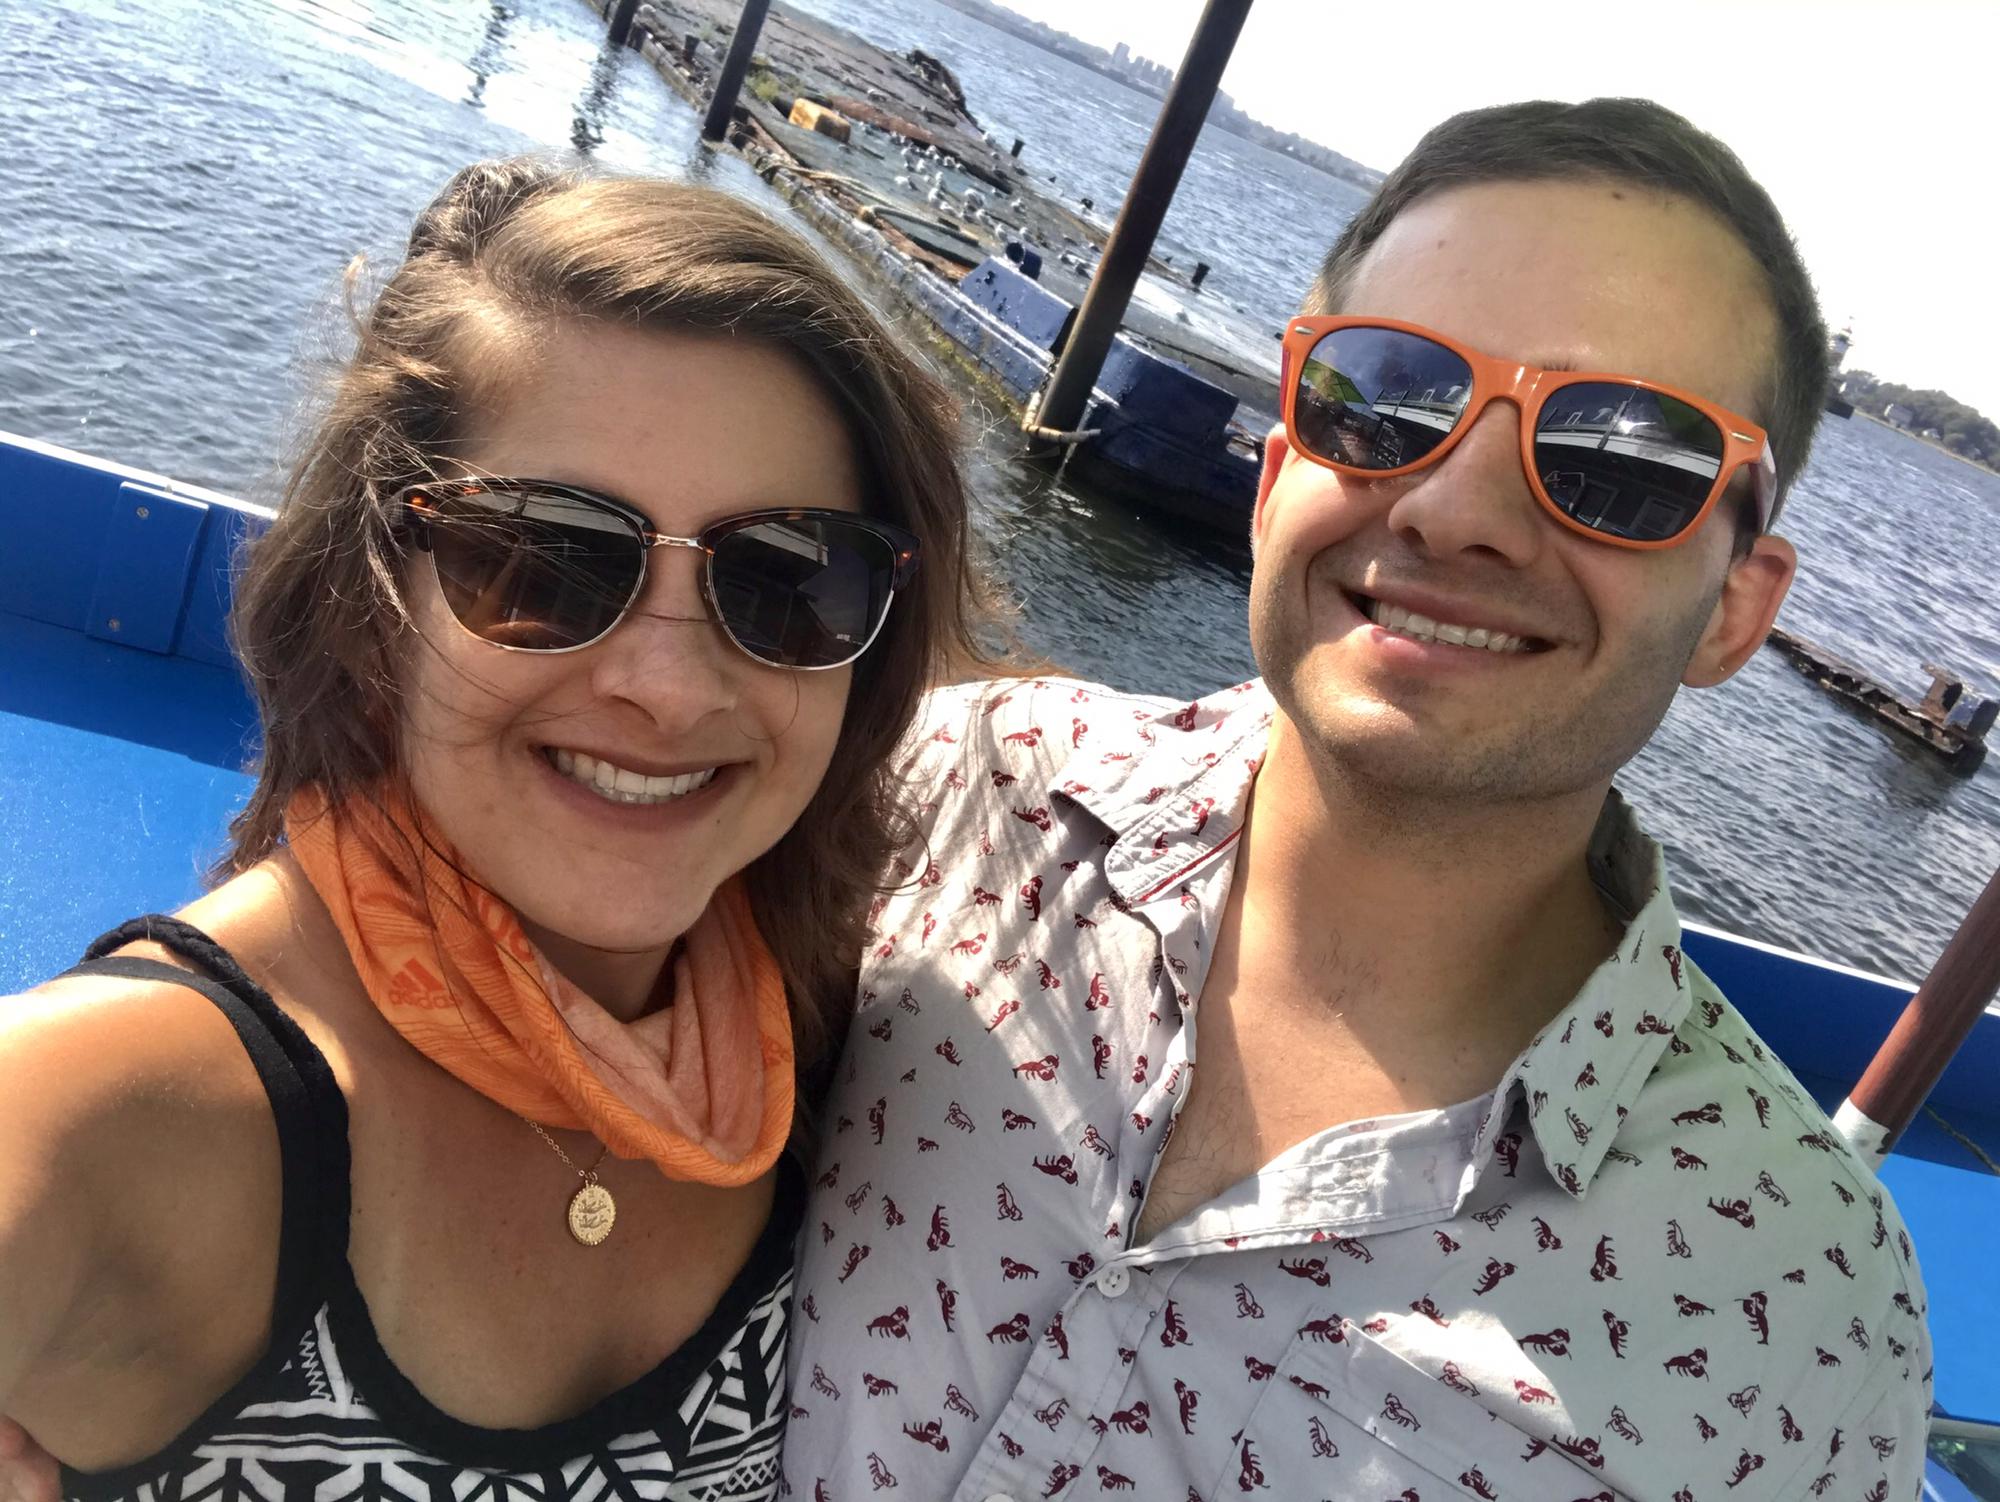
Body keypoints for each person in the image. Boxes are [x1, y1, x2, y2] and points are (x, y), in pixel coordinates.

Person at [781, 99, 1933, 1501]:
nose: (1454, 510)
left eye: (1622, 463)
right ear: (1279, 474)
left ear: (1737, 608)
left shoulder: (1806, 1318)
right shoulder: (952, 789)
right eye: (1384, 398)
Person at [0, 156, 990, 1500]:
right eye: (545, 558)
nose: (669, 685)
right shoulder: (121, 1108)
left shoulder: (827, 1047)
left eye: (788, 577)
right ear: (375, 599)